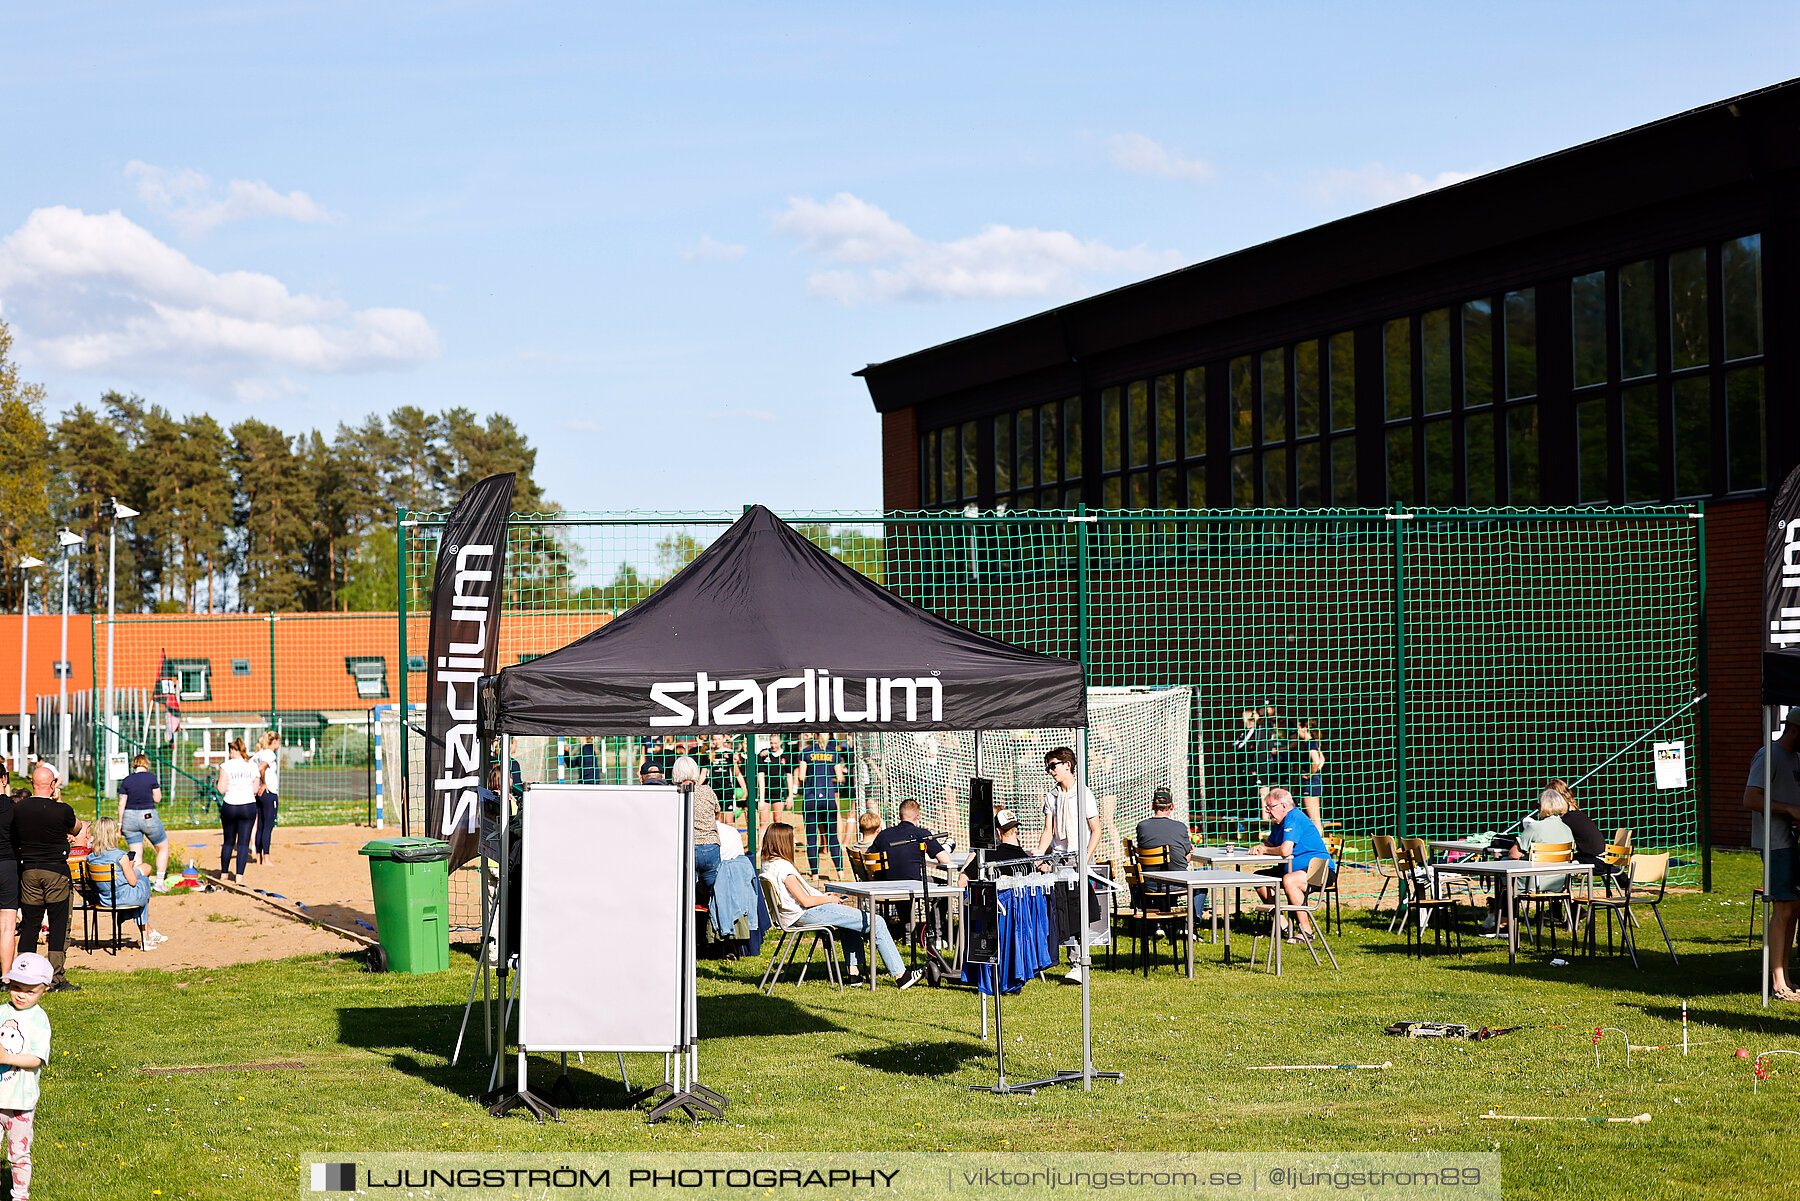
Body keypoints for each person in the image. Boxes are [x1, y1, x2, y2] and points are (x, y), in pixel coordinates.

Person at [759, 822, 920, 988]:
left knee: (850, 922)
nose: (795, 842)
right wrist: (829, 899)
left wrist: (822, 896)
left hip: (795, 915)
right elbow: (805, 901)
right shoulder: (784, 867)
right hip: (804, 914)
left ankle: (854, 975)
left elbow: (800, 897)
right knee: (876, 921)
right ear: (782, 842)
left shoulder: (768, 864)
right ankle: (902, 976)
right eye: (792, 839)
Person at [13, 764, 86, 992]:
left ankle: (23, 973)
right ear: (53, 785)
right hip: (55, 872)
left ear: (33, 784)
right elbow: (77, 828)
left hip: (29, 871)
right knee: (58, 924)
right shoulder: (62, 810)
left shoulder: (19, 808)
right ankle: (56, 979)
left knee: (30, 924)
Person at [1746, 712, 1800, 1001]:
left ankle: (1786, 977)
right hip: (1776, 843)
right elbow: (1751, 798)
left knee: (1794, 908)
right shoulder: (1768, 755)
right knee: (1784, 907)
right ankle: (1778, 983)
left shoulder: (1796, 758)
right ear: (1793, 729)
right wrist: (1789, 809)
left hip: (1794, 843)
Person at [1037, 746, 1102, 982]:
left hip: (1079, 857)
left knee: (1079, 910)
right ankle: (1071, 961)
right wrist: (1040, 855)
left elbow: (1096, 831)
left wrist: (1085, 859)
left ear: (1067, 765)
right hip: (1059, 858)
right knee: (1062, 911)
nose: (1050, 771)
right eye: (1048, 767)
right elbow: (1048, 830)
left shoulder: (1084, 794)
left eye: (1053, 765)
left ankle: (1080, 963)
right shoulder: (1051, 796)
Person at [0, 952, 55, 1201]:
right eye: (16, 987)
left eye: (29, 991)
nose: (21, 994)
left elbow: (36, 1059)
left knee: (18, 1153)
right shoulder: (2, 1012)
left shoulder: (39, 1020)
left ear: (44, 990)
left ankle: (19, 1195)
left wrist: (6, 1058)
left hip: (20, 1102)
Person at [1250, 786, 1332, 941]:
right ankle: (1283, 926)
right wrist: (1261, 847)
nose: (1267, 811)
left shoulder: (1294, 818)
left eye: (1270, 807)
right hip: (1291, 869)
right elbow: (1270, 842)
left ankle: (1307, 931)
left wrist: (1265, 850)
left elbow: (1285, 851)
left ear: (1283, 806)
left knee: (1289, 880)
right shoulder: (1279, 822)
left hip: (1320, 870)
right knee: (1258, 879)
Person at [82, 818, 164, 950]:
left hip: (105, 900)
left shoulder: (91, 857)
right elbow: (133, 881)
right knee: (143, 883)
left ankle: (147, 932)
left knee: (139, 886)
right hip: (123, 898)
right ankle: (145, 936)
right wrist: (130, 866)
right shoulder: (120, 855)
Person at [114, 753, 171, 890]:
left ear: (134, 764)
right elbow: (158, 798)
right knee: (163, 847)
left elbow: (121, 803)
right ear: (146, 764)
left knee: (136, 852)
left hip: (129, 818)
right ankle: (159, 881)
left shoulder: (127, 780)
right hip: (148, 815)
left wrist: (120, 824)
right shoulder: (151, 777)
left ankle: (140, 883)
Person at [671, 756, 722, 905]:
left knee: (686, 893)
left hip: (688, 847)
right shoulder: (707, 791)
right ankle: (716, 924)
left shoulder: (675, 794)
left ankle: (687, 924)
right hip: (710, 846)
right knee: (716, 892)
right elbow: (717, 812)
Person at [794, 733, 847, 875]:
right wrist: (829, 778)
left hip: (811, 798)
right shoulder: (833, 753)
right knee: (832, 836)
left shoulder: (806, 752)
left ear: (815, 736)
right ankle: (840, 871)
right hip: (828, 799)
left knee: (812, 838)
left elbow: (801, 777)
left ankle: (815, 872)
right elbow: (840, 777)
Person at [1133, 786, 1195, 904]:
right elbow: (1185, 860)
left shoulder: (1142, 826)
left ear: (1152, 805)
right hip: (1176, 882)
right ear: (1172, 806)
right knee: (1200, 887)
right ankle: (1194, 920)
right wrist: (1190, 854)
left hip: (1148, 884)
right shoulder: (1180, 827)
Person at [215, 738, 259, 882]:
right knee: (243, 843)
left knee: (228, 841)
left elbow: (221, 788)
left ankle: (224, 874)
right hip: (248, 805)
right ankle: (239, 877)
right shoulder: (252, 766)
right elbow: (255, 789)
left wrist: (219, 785)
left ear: (233, 751)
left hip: (230, 804)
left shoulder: (226, 766)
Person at [959, 809, 1033, 887]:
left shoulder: (987, 855)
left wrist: (973, 855)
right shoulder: (1028, 860)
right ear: (1016, 829)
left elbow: (961, 882)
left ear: (997, 831)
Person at [250, 731, 281, 867]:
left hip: (259, 794)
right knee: (268, 826)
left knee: (260, 826)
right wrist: (263, 783)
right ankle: (266, 857)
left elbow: (252, 767)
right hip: (268, 792)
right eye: (279, 741)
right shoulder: (269, 753)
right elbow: (261, 768)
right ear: (274, 742)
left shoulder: (258, 754)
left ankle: (258, 858)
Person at [1293, 717, 1326, 832]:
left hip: (1311, 784)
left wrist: (1310, 774)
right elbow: (1322, 759)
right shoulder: (1312, 743)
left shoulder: (1311, 743)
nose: (1297, 731)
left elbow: (1316, 760)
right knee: (1313, 818)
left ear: (1305, 728)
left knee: (1314, 818)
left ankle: (1319, 845)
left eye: (1298, 728)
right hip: (1313, 782)